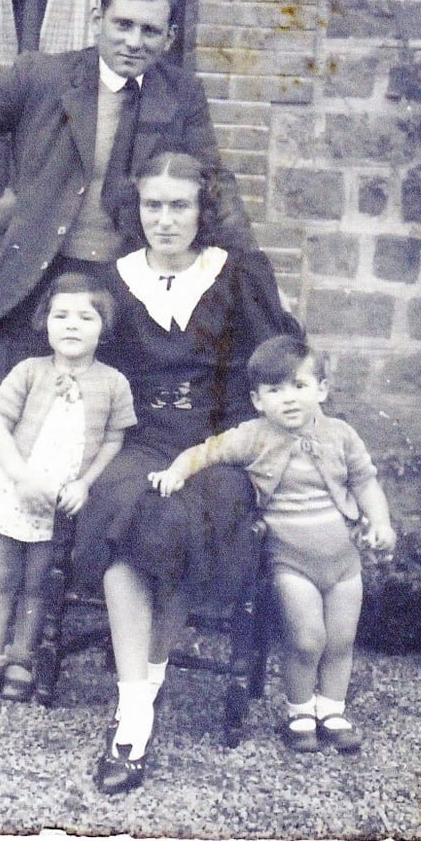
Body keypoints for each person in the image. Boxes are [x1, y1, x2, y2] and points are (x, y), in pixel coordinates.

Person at [0, 0, 255, 422]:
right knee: (16, 434)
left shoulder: (180, 95)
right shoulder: (43, 75)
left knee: (107, 437)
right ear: (98, 19)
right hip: (29, 280)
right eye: (123, 25)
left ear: (170, 37)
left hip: (124, 291)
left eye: (150, 30)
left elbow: (211, 182)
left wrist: (252, 273)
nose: (134, 42)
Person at [69, 152, 303, 793]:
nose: (165, 219)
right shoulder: (111, 282)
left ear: (204, 210)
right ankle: (134, 713)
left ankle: (143, 689)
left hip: (218, 446)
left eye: (180, 205)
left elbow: (276, 366)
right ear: (135, 208)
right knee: (125, 530)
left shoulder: (237, 276)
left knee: (172, 526)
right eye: (153, 205)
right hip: (136, 443)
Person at [150, 334, 397, 755]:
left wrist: (382, 523)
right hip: (291, 562)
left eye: (299, 387)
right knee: (306, 638)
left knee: (340, 639)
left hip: (343, 561)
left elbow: (365, 481)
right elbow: (207, 452)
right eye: (275, 390)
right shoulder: (254, 436)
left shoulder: (340, 435)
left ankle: (332, 709)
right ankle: (300, 710)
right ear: (258, 400)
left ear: (321, 389)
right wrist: (176, 470)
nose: (289, 399)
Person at [0, 272, 136, 709]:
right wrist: (19, 474)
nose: (71, 325)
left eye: (85, 317)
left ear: (104, 328)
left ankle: (22, 658)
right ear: (45, 323)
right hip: (12, 490)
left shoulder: (114, 383)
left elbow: (114, 440)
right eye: (61, 315)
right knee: (0, 579)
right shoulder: (28, 372)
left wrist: (84, 484)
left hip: (58, 503)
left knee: (39, 583)